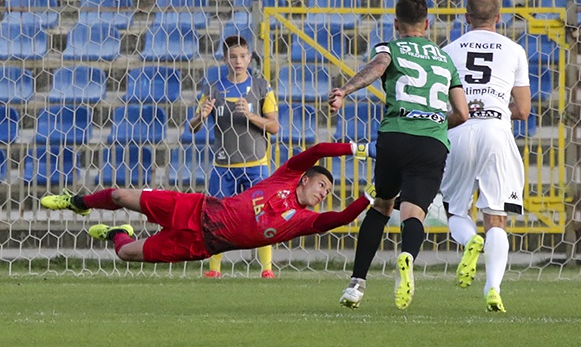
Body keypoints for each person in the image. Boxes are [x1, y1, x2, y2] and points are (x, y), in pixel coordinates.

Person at [329, 0, 469, 310]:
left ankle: (356, 285)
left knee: (381, 205)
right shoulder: (444, 58)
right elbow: (462, 113)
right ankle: (407, 256)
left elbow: (377, 67)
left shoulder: (390, 48)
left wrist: (345, 91)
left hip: (394, 136)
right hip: (432, 141)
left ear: (396, 24)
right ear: (427, 24)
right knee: (414, 212)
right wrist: (434, 122)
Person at [39, 143, 372, 264]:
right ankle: (78, 201)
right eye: (322, 184)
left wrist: (372, 196)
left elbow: (340, 218)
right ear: (305, 179)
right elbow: (316, 152)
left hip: (199, 243)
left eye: (328, 191)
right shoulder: (283, 178)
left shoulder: (300, 220)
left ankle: (117, 233)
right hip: (194, 207)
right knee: (119, 196)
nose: (323, 193)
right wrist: (357, 149)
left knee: (126, 253)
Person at [440, 0, 532, 312]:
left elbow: (441, 105)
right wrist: (496, 107)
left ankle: (470, 242)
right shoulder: (515, 50)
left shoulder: (448, 51)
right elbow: (522, 111)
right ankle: (493, 288)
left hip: (460, 131)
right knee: (496, 219)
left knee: (455, 211)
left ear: (465, 18)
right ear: (499, 17)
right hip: (496, 131)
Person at [189, 34, 280, 278]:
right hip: (223, 165)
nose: (238, 61)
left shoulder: (262, 86)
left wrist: (251, 116)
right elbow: (192, 126)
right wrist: (202, 116)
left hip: (255, 165)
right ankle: (214, 270)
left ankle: (267, 270)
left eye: (242, 56)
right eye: (233, 57)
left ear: (249, 58)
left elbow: (274, 126)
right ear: (224, 59)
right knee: (215, 217)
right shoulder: (213, 89)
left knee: (261, 217)